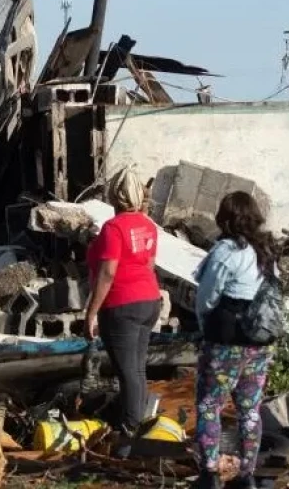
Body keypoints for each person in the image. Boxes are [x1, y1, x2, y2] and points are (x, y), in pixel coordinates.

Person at [191, 192, 279, 489]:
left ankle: (211, 473)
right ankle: (247, 475)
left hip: (225, 343)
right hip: (260, 344)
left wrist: (206, 328)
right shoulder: (265, 251)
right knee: (250, 410)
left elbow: (206, 298)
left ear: (224, 218)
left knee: (209, 405)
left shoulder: (226, 251)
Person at [84, 166, 162, 457]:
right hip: (149, 301)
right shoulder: (148, 225)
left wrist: (92, 312)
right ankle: (137, 429)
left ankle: (129, 439)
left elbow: (107, 273)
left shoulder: (114, 228)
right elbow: (150, 265)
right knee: (138, 370)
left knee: (127, 372)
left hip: (122, 305)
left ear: (114, 196)